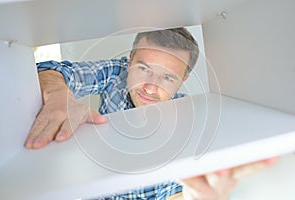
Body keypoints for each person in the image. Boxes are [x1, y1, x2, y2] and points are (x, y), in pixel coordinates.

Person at [25, 28, 276, 199]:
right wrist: (59, 93)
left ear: (184, 79)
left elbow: (178, 193)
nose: (151, 87)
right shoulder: (117, 74)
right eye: (144, 69)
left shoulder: (189, 120)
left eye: (167, 77)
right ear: (131, 59)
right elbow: (51, 68)